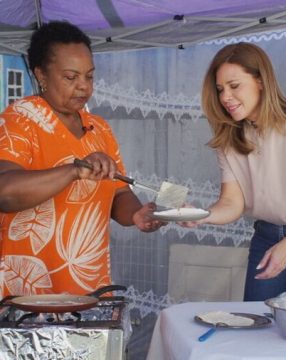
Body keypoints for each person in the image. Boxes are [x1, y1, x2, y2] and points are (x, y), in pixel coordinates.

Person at [0, 21, 164, 297]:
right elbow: (5, 192)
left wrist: (137, 214)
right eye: (70, 77)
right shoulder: (19, 120)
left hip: (88, 283)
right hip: (30, 291)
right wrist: (73, 171)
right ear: (40, 74)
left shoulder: (99, 129)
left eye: (89, 77)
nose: (83, 87)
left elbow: (118, 193)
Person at [181, 42, 286, 301]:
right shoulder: (229, 139)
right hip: (267, 237)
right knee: (259, 329)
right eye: (220, 89)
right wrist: (202, 215)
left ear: (260, 81)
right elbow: (231, 203)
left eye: (234, 86)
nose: (225, 97)